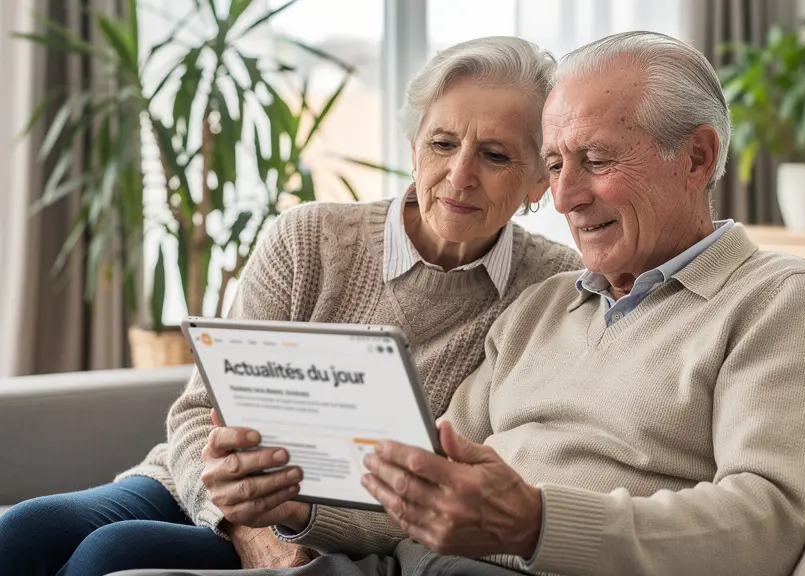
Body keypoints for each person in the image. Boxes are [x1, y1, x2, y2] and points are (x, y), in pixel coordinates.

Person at [112, 31, 805, 576]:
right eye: (557, 163)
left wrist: (538, 522)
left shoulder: (777, 299)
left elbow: (766, 521)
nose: (568, 197)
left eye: (597, 163)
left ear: (697, 157)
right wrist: (296, 508)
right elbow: (410, 483)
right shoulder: (543, 309)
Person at [0, 36, 583, 576]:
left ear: (539, 181)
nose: (460, 175)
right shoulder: (309, 239)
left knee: (112, 553)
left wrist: (285, 530)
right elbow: (199, 410)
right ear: (413, 149)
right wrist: (241, 522)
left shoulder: (551, 289)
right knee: (21, 531)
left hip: (331, 528)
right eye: (443, 144)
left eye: (496, 156)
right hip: (205, 486)